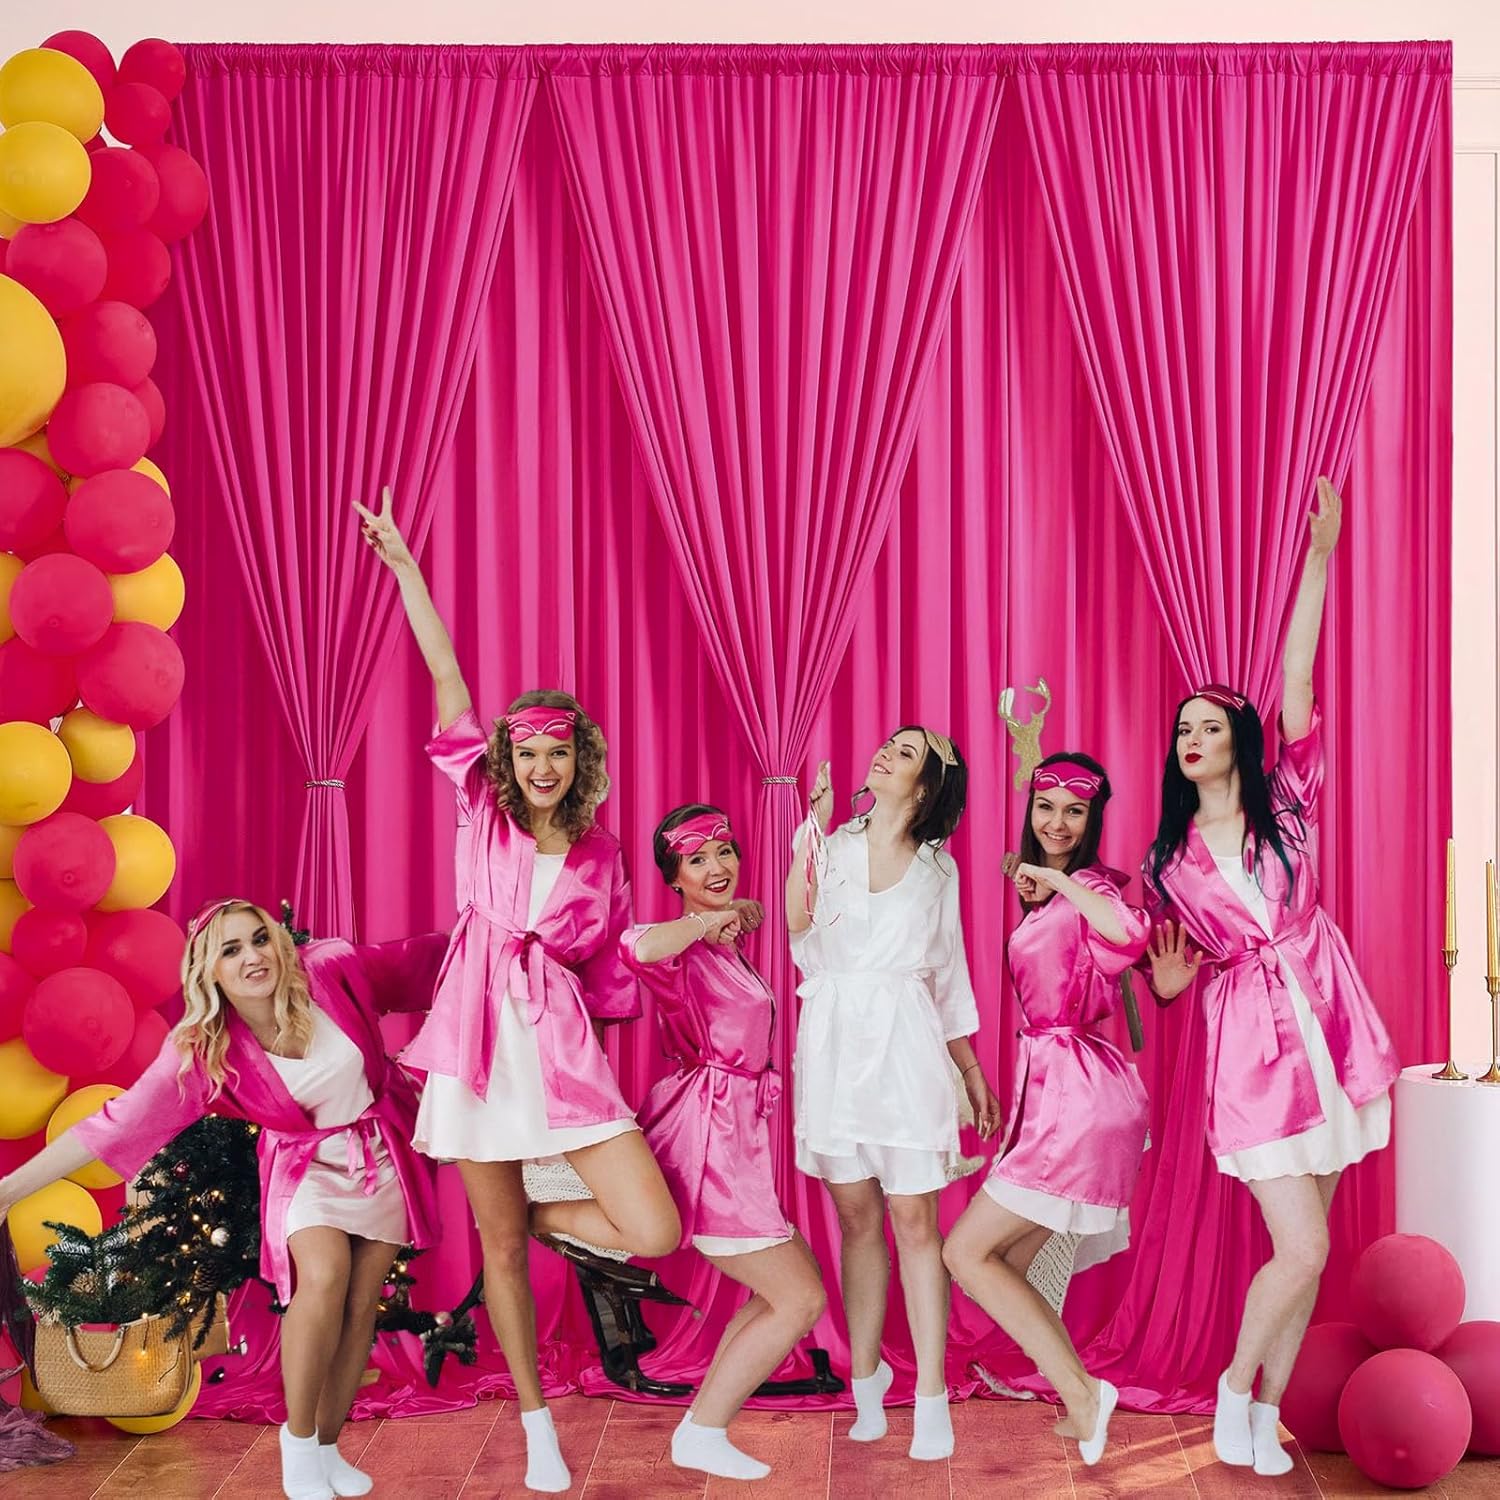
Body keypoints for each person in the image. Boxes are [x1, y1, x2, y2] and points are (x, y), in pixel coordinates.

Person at [356, 487, 679, 1493]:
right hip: (478, 1042)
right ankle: (538, 1426)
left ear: (581, 760)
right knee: (498, 1251)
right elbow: (447, 678)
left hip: (561, 1047)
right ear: (507, 760)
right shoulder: (482, 811)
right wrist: (407, 571)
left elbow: (609, 967)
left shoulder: (605, 852)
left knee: (653, 1230)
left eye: (558, 752)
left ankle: (538, 1219)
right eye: (528, 752)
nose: (542, 766)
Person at [0, 900, 447, 1500]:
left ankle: (328, 1448)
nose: (252, 957)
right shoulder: (201, 1052)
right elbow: (113, 1124)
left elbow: (429, 963)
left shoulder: (331, 967)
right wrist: (9, 1190)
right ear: (207, 970)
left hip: (380, 1156)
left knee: (362, 1304)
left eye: (259, 939)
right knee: (324, 1276)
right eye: (230, 950)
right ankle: (298, 1445)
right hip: (304, 1168)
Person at [1142, 477, 1398, 1476]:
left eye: (1209, 725)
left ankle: (1265, 1411)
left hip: (1330, 1022)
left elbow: (1296, 673)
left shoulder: (1289, 799)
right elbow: (1163, 965)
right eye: (1183, 729)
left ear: (1241, 743)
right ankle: (1233, 1388)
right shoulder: (1168, 861)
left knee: (1311, 1247)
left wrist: (1319, 557)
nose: (1193, 738)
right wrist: (1167, 988)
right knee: (1304, 1249)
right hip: (1252, 1051)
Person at [785, 728, 1000, 1462]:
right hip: (834, 1046)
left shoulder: (939, 870)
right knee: (856, 1219)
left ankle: (931, 1397)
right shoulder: (828, 843)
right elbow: (796, 924)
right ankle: (867, 1384)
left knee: (914, 1220)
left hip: (907, 1048)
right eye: (888, 744)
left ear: (928, 785)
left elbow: (949, 978)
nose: (884, 753)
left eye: (906, 753)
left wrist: (970, 1072)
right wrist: (810, 833)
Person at [943, 753, 1150, 1467]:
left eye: (1075, 811)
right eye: (1046, 807)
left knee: (965, 1252)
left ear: (1092, 821)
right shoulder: (1048, 897)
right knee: (1005, 1258)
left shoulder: (1089, 886)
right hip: (1059, 1094)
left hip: (1078, 1100)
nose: (1058, 822)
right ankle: (1079, 1391)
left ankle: (1085, 1394)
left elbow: (1129, 936)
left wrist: (1061, 879)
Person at [623, 803, 827, 1481]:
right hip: (711, 1139)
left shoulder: (722, 945)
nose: (716, 867)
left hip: (742, 1137)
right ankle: (704, 1430)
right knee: (799, 1299)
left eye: (724, 851)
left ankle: (701, 1426)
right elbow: (636, 947)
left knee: (788, 1293)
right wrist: (709, 918)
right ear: (673, 877)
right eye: (696, 859)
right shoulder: (680, 948)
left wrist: (731, 916)